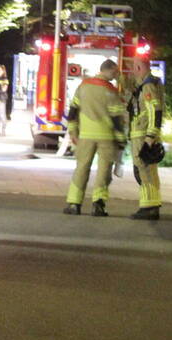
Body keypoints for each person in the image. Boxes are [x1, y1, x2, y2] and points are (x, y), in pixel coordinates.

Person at [63, 59, 127, 217]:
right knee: (104, 171)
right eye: (115, 72)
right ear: (110, 70)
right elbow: (117, 118)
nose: (116, 75)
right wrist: (121, 139)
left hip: (85, 135)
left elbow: (73, 110)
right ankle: (98, 205)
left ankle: (74, 203)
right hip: (106, 136)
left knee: (81, 168)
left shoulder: (83, 86)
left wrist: (73, 131)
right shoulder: (111, 90)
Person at [128, 57, 164, 220]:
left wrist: (150, 136)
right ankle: (151, 204)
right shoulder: (149, 84)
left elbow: (154, 110)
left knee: (145, 170)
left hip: (143, 135)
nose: (132, 72)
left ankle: (149, 207)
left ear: (138, 68)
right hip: (143, 134)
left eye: (133, 68)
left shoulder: (148, 86)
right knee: (147, 171)